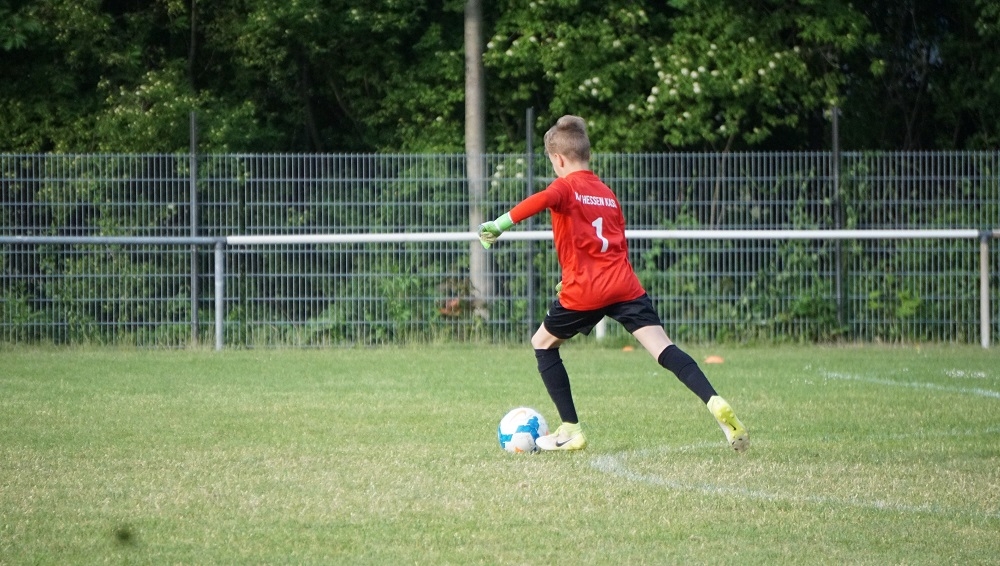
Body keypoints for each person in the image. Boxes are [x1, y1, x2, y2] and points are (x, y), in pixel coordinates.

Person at [478, 115, 749, 452]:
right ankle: (714, 401)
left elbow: (541, 200)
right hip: (623, 284)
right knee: (663, 348)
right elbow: (612, 242)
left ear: (558, 159)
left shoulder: (564, 187)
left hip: (586, 290)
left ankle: (571, 429)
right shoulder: (607, 193)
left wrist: (498, 225)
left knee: (543, 343)